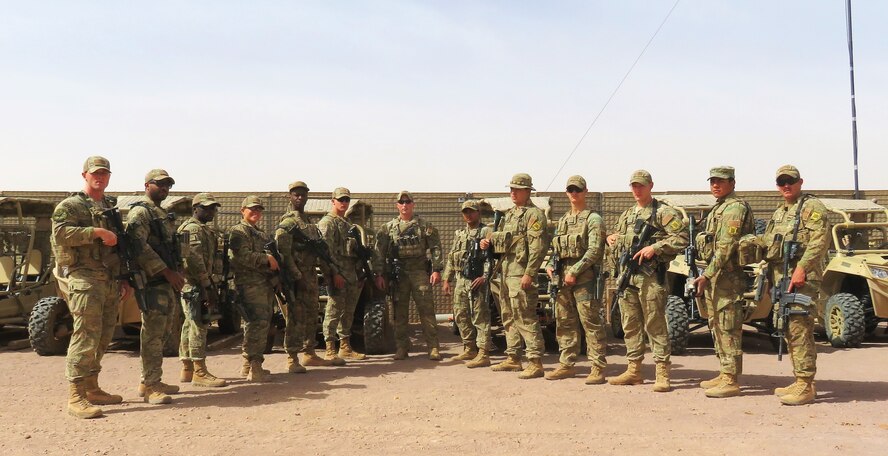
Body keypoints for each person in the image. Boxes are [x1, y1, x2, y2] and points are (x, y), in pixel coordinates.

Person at [51, 156, 133, 419]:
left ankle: (92, 387)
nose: (100, 177)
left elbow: (119, 247)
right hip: (84, 278)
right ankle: (76, 395)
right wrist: (96, 232)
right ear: (84, 175)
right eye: (95, 173)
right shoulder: (71, 205)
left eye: (105, 174)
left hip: (109, 279)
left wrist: (123, 278)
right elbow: (61, 233)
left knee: (104, 336)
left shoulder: (110, 206)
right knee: (85, 335)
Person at [606, 170, 687, 392]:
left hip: (651, 277)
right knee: (630, 324)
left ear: (651, 185)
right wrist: (610, 238)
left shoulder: (663, 212)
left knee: (655, 323)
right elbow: (620, 237)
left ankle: (662, 372)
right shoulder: (627, 215)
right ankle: (634, 370)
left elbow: (682, 237)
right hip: (628, 277)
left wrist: (655, 247)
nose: (637, 189)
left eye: (641, 185)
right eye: (633, 185)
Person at [760, 165, 828, 405]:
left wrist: (802, 269)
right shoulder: (781, 212)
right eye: (781, 182)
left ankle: (806, 385)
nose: (786, 185)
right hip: (782, 279)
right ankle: (801, 380)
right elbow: (770, 245)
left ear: (801, 182)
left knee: (799, 329)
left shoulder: (811, 207)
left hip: (802, 279)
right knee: (788, 327)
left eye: (791, 181)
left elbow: (820, 241)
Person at [692, 167, 754, 398]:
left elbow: (726, 246)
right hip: (715, 275)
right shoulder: (718, 207)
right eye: (713, 181)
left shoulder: (734, 208)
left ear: (733, 183)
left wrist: (706, 274)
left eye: (721, 181)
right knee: (716, 324)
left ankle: (731, 379)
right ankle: (724, 371)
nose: (716, 185)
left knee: (728, 326)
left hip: (726, 276)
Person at [480, 173, 549, 379]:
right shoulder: (508, 215)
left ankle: (535, 361)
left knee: (525, 316)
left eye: (517, 189)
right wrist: (488, 242)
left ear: (528, 191)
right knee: (508, 316)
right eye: (511, 189)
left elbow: (538, 248)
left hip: (520, 273)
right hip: (505, 272)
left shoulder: (534, 215)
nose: (513, 192)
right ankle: (513, 357)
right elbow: (499, 240)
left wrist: (529, 273)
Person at [128, 169, 186, 404]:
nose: (164, 188)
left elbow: (172, 246)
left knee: (162, 332)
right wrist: (167, 272)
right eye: (160, 184)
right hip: (153, 281)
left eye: (167, 185)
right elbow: (138, 246)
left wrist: (178, 270)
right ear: (147, 185)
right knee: (152, 334)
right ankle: (151, 385)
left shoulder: (161, 213)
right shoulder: (141, 212)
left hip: (167, 281)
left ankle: (151, 380)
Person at [275, 181, 345, 371]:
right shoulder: (288, 222)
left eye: (303, 194)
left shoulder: (308, 223)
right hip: (296, 278)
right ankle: (292, 359)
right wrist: (296, 276)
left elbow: (319, 252)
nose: (300, 198)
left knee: (312, 315)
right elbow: (284, 254)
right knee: (295, 318)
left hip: (310, 276)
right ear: (290, 197)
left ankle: (309, 353)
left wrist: (331, 271)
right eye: (296, 194)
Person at [544, 175, 607, 383]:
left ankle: (597, 367)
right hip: (563, 280)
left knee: (590, 323)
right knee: (564, 322)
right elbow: (556, 249)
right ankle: (567, 364)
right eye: (571, 190)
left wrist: (575, 271)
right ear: (566, 193)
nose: (574, 193)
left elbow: (595, 250)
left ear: (585, 191)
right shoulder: (563, 221)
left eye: (578, 190)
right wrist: (551, 266)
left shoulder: (593, 219)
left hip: (585, 280)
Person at [374, 191, 443, 361]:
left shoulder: (425, 226)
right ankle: (401, 348)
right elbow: (379, 253)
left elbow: (436, 248)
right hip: (399, 274)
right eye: (401, 202)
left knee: (426, 311)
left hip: (419, 272)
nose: (404, 205)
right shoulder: (387, 228)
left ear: (413, 204)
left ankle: (433, 348)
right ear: (397, 205)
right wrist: (379, 274)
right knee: (400, 313)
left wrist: (436, 269)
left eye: (407, 201)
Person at [177, 193, 228, 388]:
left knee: (189, 325)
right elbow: (193, 260)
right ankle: (199, 370)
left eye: (213, 208)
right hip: (196, 285)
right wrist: (207, 285)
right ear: (195, 208)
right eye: (207, 208)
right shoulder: (192, 229)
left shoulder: (201, 230)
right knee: (199, 325)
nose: (211, 211)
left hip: (197, 284)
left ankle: (187, 369)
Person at [229, 196, 280, 382]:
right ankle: (255, 366)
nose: (256, 212)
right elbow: (242, 256)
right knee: (256, 324)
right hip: (249, 285)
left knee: (260, 324)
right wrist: (266, 259)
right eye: (252, 209)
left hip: (263, 284)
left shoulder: (260, 233)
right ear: (242, 210)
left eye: (259, 209)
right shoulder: (238, 231)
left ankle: (248, 366)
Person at [318, 188, 368, 363]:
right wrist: (333, 274)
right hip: (338, 274)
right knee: (333, 311)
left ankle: (345, 347)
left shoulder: (346, 224)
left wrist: (359, 273)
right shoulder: (327, 223)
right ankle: (330, 349)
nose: (344, 203)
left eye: (347, 199)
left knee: (348, 312)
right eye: (340, 199)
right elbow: (324, 254)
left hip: (351, 275)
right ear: (333, 201)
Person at [442, 200, 493, 367]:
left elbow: (490, 257)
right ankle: (470, 348)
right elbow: (452, 257)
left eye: (471, 211)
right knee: (461, 314)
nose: (468, 215)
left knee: (480, 316)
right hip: (460, 280)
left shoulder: (486, 231)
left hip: (476, 280)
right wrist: (446, 279)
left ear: (478, 212)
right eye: (465, 212)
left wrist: (485, 276)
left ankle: (483, 353)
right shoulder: (460, 234)